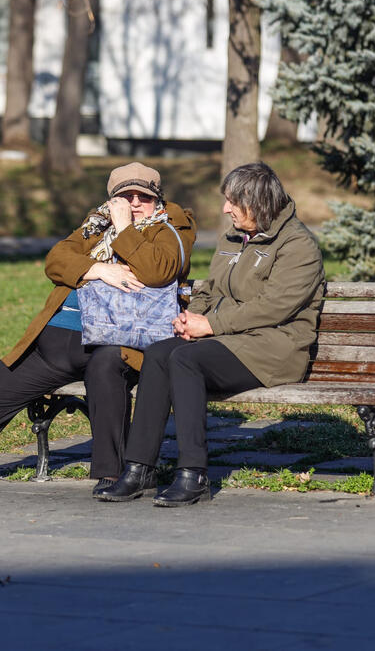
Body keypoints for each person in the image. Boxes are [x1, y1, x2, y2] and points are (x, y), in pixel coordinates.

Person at [0, 162, 196, 495]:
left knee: (106, 368)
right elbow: (57, 259)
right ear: (111, 199)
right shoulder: (96, 225)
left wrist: (123, 229)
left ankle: (113, 472)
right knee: (4, 377)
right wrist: (99, 270)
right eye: (125, 196)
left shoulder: (171, 229)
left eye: (143, 197)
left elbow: (158, 271)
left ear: (157, 199)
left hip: (117, 341)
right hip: (58, 340)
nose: (134, 203)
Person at [94, 162, 325, 506]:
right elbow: (210, 288)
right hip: (230, 340)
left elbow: (274, 307)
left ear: (258, 203)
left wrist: (212, 326)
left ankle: (193, 473)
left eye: (233, 202)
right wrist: (192, 317)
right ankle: (139, 467)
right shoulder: (233, 238)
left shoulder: (298, 246)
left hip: (275, 348)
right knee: (159, 354)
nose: (225, 209)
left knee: (186, 359)